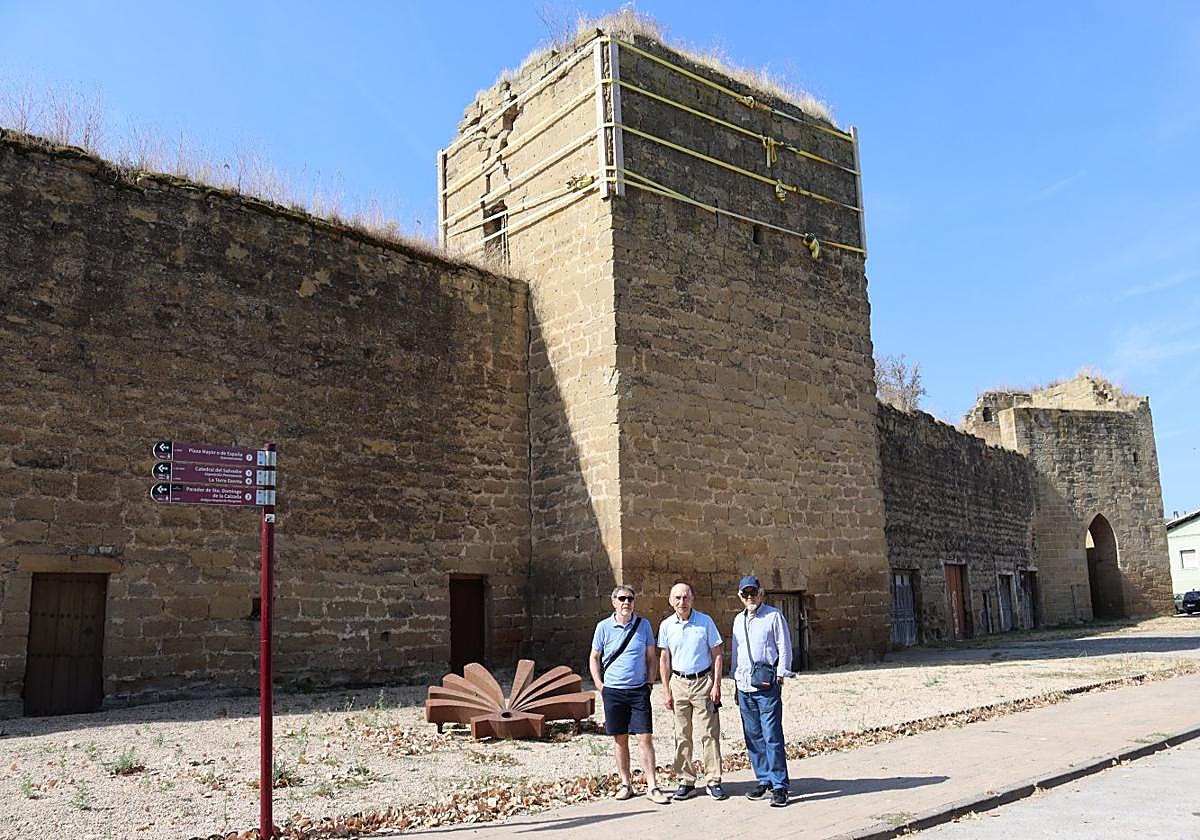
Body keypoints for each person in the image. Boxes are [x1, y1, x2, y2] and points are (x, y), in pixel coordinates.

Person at [589, 585, 670, 804]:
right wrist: (599, 684)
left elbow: (651, 657)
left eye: (630, 599)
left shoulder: (643, 626)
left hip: (638, 691)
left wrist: (649, 683)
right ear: (613, 602)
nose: (627, 603)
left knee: (644, 738)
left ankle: (653, 785)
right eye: (622, 599)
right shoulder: (603, 627)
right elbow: (594, 656)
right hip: (613, 691)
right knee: (620, 739)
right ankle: (627, 784)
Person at [658, 580, 727, 800]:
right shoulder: (666, 626)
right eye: (677, 598)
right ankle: (686, 780)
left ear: (692, 599)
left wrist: (716, 685)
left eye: (686, 597)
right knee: (682, 734)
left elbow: (717, 653)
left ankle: (713, 780)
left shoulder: (705, 622)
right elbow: (664, 659)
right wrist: (666, 690)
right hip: (678, 683)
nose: (682, 602)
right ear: (671, 601)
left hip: (702, 683)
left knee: (709, 734)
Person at [730, 575, 793, 807]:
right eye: (745, 594)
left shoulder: (773, 616)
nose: (750, 598)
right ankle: (763, 778)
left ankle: (779, 784)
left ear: (761, 593)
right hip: (744, 684)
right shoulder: (738, 620)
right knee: (753, 735)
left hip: (766, 684)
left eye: (753, 593)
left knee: (772, 735)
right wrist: (733, 679)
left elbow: (784, 645)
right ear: (740, 597)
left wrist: (781, 673)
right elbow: (736, 652)